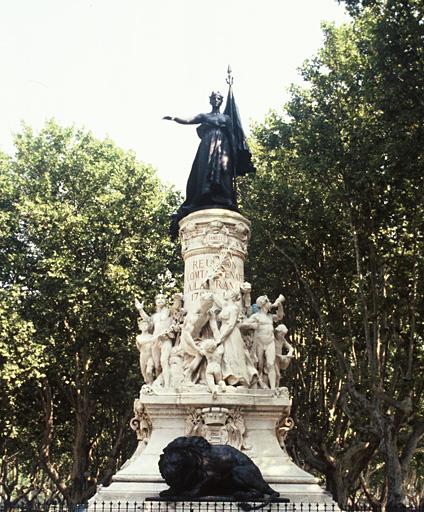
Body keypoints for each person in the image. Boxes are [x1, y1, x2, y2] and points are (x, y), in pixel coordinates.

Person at [164, 85, 255, 237]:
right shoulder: (205, 116)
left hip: (223, 147)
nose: (216, 100)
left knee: (223, 170)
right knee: (203, 171)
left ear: (221, 100)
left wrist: (233, 154)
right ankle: (204, 194)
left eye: (218, 98)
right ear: (210, 100)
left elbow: (232, 136)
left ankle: (225, 197)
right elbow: (188, 120)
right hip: (207, 146)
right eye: (213, 98)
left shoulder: (226, 118)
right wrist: (174, 118)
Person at [217, 290, 258, 387]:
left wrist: (221, 338)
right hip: (223, 332)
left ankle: (241, 380)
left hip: (231, 334)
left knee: (235, 355)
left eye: (226, 292)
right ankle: (230, 380)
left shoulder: (234, 308)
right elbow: (214, 297)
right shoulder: (225, 307)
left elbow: (231, 325)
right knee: (226, 357)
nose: (224, 293)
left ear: (231, 296)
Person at [134, 294, 175, 388]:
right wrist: (140, 309)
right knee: (157, 366)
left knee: (164, 361)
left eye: (162, 298)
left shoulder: (170, 312)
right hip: (155, 341)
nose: (160, 300)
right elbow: (147, 320)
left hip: (165, 340)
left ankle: (167, 387)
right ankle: (158, 385)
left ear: (166, 301)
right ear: (155, 302)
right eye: (158, 298)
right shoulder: (154, 316)